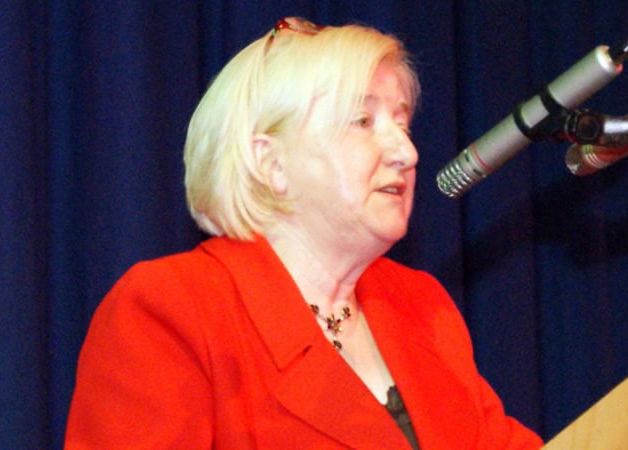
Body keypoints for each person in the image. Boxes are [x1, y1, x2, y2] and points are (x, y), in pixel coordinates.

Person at [65, 17, 544, 449]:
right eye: (363, 120)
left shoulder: (422, 307)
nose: (406, 152)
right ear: (271, 163)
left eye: (402, 122)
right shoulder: (173, 309)